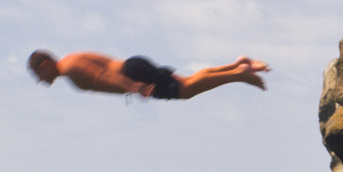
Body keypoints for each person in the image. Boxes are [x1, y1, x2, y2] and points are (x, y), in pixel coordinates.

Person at [27, 50, 269, 100]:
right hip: (133, 67)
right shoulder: (71, 59)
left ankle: (239, 74)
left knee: (186, 90)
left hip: (132, 74)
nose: (39, 80)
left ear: (46, 64)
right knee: (187, 81)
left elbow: (102, 76)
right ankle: (238, 65)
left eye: (38, 73)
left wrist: (134, 86)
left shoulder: (70, 68)